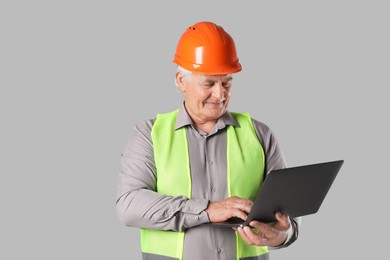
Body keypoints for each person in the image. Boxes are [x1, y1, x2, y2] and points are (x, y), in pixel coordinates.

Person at [116, 21, 300, 260]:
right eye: (209, 83)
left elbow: (289, 218)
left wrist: (281, 235)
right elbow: (129, 205)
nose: (220, 94)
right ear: (181, 81)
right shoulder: (149, 134)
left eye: (227, 83)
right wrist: (207, 210)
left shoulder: (260, 135)